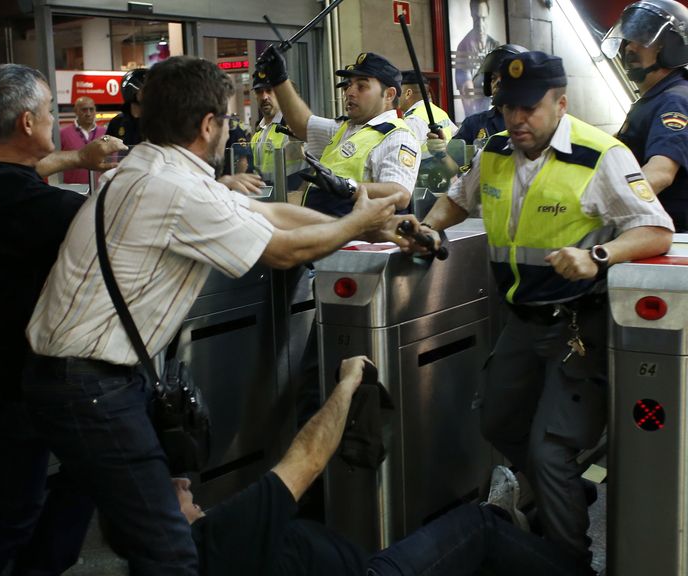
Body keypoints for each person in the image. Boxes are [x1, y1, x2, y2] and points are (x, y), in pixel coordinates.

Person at [24, 55, 399, 575]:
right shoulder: (176, 189)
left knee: (66, 528)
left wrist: (370, 230)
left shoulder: (150, 169)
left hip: (72, 377)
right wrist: (358, 219)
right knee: (169, 553)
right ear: (207, 125)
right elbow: (284, 249)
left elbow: (267, 213)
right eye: (224, 118)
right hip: (91, 387)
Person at [401, 51, 674, 569]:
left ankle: (568, 559)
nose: (517, 119)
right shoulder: (497, 151)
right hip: (520, 323)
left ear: (560, 103)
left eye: (529, 108)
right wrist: (432, 229)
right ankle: (564, 495)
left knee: (551, 451)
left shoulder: (601, 156)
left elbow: (655, 228)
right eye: (507, 107)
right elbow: (460, 197)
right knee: (498, 424)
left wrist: (598, 255)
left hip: (578, 324)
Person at [0, 64, 125, 576]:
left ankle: (44, 564)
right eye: (50, 112)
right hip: (11, 378)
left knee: (75, 472)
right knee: (16, 509)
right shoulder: (30, 205)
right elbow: (114, 224)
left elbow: (30, 172)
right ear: (27, 123)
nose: (55, 120)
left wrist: (80, 156)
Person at [178, 357, 594, 576]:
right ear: (168, 522)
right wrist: (348, 382)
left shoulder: (170, 559)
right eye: (173, 493)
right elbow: (307, 457)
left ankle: (514, 521)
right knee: (478, 526)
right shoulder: (219, 537)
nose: (184, 484)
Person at [255, 49, 419, 216]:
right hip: (327, 232)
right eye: (349, 85)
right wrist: (279, 79)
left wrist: (347, 187)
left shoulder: (397, 136)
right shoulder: (345, 128)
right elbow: (302, 125)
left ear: (389, 95)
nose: (349, 92)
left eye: (361, 86)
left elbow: (400, 194)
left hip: (360, 239)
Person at [603, 0, 688, 232]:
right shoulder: (653, 99)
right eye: (629, 39)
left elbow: (660, 173)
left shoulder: (674, 100)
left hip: (669, 233)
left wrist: (605, 204)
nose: (630, 47)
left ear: (670, 47)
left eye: (642, 40)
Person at [453, 44, 528, 147]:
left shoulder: (533, 122)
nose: (497, 83)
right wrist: (441, 152)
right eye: (493, 78)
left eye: (505, 77)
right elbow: (454, 160)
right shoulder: (474, 124)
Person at [454, 0, 501, 117]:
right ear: (471, 16)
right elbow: (466, 90)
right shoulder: (463, 47)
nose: (480, 25)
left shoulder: (494, 45)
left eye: (484, 18)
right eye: (477, 19)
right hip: (476, 115)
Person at [398, 70, 458, 150]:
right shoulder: (439, 112)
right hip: (445, 161)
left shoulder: (413, 120)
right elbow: (458, 139)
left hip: (427, 162)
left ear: (408, 93)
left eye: (398, 92)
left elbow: (405, 155)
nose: (395, 97)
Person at [60, 96, 105, 184]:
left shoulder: (105, 133)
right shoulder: (63, 134)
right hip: (73, 189)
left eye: (91, 109)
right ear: (76, 111)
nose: (88, 113)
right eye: (84, 110)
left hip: (99, 187)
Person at [106, 68, 147, 147]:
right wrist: (102, 140)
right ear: (131, 90)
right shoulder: (117, 122)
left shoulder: (157, 122)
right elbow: (106, 139)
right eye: (143, 89)